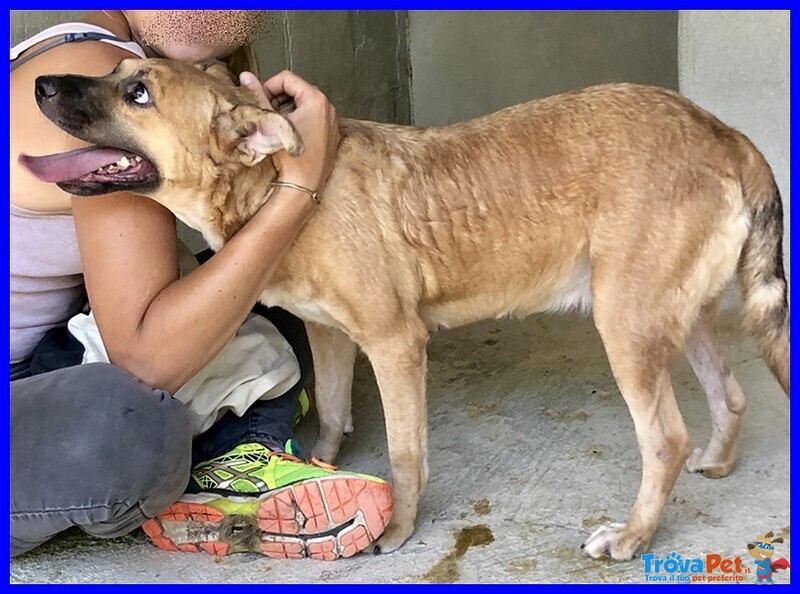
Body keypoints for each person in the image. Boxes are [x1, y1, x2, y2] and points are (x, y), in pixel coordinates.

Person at [10, 10, 392, 561]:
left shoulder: (138, 60)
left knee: (289, 291)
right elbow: (147, 359)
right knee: (125, 423)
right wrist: (296, 189)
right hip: (31, 393)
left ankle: (233, 458)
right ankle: (222, 461)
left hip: (50, 355)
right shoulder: (98, 79)